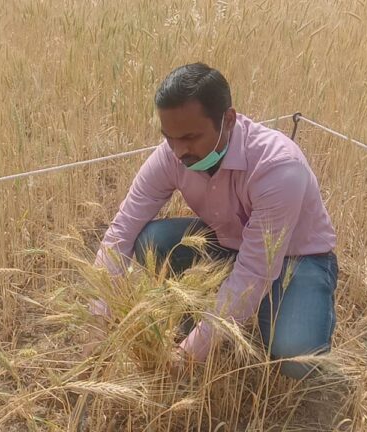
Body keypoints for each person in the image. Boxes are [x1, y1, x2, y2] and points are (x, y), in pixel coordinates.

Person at [87, 62, 338, 380]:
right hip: (230, 245)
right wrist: (98, 314)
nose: (179, 151)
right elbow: (124, 226)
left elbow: (254, 273)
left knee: (296, 357)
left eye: (190, 137)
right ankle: (227, 317)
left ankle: (282, 310)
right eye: (169, 137)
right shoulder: (171, 154)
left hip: (298, 259)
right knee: (151, 240)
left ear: (228, 120)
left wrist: (188, 355)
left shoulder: (278, 168)